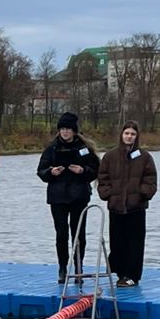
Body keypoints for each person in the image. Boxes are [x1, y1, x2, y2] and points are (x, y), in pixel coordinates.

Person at [37, 112, 99, 284]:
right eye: (62, 129)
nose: (65, 132)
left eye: (68, 129)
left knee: (79, 234)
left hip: (79, 196)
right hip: (58, 197)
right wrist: (51, 172)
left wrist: (83, 171)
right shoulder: (52, 148)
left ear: (74, 131)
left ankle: (79, 267)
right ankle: (62, 268)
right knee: (61, 234)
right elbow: (41, 171)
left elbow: (95, 170)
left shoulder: (84, 148)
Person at [96, 120, 157, 287]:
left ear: (136, 137)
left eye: (132, 134)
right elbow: (102, 177)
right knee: (117, 242)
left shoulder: (144, 157)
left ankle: (132, 276)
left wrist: (143, 194)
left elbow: (150, 179)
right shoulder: (110, 156)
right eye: (126, 133)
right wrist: (107, 194)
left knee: (135, 243)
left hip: (136, 207)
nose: (129, 137)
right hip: (116, 207)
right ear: (121, 135)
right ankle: (120, 272)